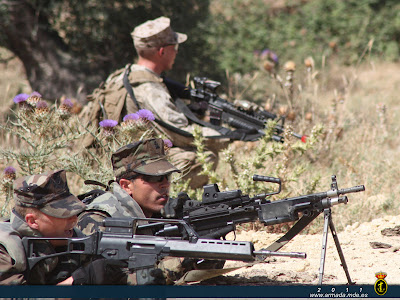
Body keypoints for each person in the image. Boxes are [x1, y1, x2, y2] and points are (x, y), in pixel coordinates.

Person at [81, 16, 228, 189]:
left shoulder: (122, 75)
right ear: (162, 52)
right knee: (205, 157)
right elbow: (181, 133)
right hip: (137, 164)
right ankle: (163, 199)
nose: (177, 52)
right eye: (175, 47)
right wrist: (226, 136)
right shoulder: (150, 89)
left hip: (116, 157)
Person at [77, 138, 223, 284]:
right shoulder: (99, 221)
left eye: (167, 176)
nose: (165, 183)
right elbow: (119, 282)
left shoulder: (158, 211)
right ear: (126, 186)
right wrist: (179, 262)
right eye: (155, 177)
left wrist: (206, 242)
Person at [0, 169, 125, 285]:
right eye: (62, 214)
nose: (74, 219)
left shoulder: (75, 240)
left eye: (73, 212)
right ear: (32, 221)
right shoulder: (5, 252)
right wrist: (75, 282)